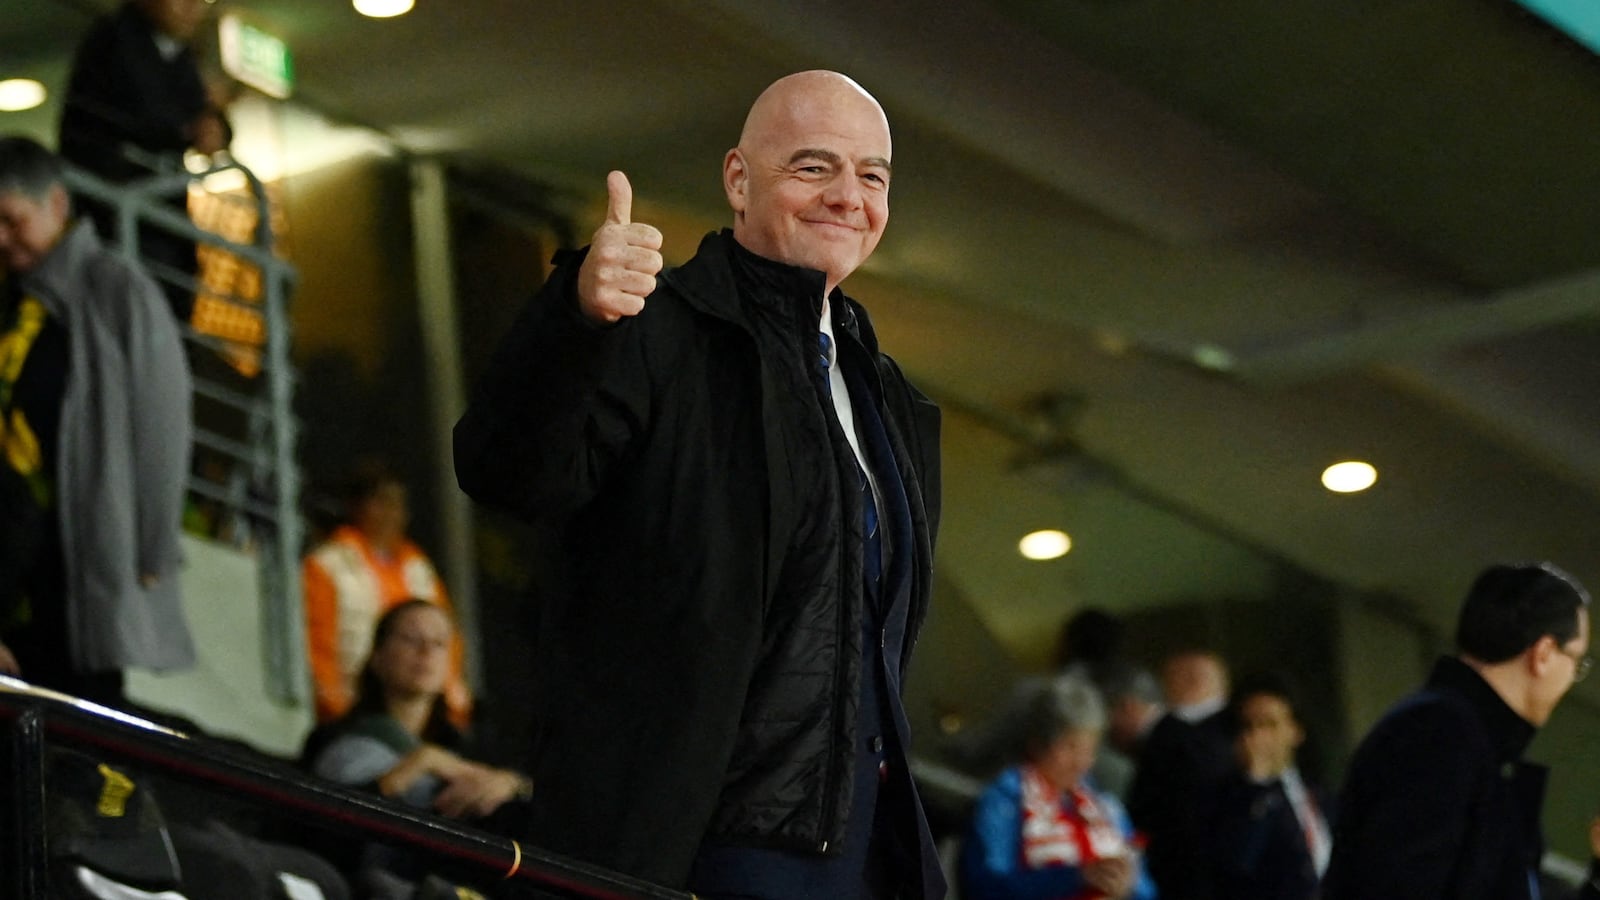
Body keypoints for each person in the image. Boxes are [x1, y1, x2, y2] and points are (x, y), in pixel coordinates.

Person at [453, 70, 944, 897]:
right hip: (693, 849)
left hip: (859, 855)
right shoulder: (656, 333)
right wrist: (574, 317)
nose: (847, 198)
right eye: (813, 167)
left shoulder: (890, 397)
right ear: (737, 180)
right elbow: (507, 473)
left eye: (872, 176)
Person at [0, 135, 194, 708]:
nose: (2, 241)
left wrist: (154, 544)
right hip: (15, 558)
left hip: (78, 551)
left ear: (57, 205)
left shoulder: (116, 288)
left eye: (12, 221)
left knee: (82, 719)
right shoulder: (10, 300)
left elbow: (162, 423)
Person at [1321, 561, 1592, 900]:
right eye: (1577, 662)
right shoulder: (1439, 736)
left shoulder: (1465, 740)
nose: (1572, 678)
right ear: (1544, 654)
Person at [57, 0, 231, 322]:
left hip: (157, 221)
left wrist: (214, 124)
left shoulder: (178, 56)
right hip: (114, 217)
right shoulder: (113, 39)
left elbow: (202, 116)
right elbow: (137, 114)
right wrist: (188, 128)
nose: (193, 8)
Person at [306, 600, 529, 824]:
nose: (427, 652)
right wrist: (415, 766)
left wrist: (510, 784)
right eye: (410, 639)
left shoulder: (463, 745)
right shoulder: (330, 739)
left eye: (439, 643)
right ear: (377, 657)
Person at [303, 461, 472, 728]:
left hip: (422, 721)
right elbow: (317, 647)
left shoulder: (420, 570)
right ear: (355, 507)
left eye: (398, 504)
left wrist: (452, 710)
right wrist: (339, 715)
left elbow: (448, 645)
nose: (391, 513)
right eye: (381, 502)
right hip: (353, 718)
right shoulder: (327, 564)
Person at [959, 676, 1156, 900]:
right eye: (1070, 747)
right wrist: (1074, 878)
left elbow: (1145, 889)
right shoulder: (1005, 801)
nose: (1081, 762)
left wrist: (1126, 888)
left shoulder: (1106, 807)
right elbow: (986, 887)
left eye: (1089, 750)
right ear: (1037, 743)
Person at [1208, 671, 1331, 900]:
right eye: (1248, 726)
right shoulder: (1228, 797)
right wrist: (1257, 783)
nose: (1257, 736)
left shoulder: (1316, 791)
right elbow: (1236, 866)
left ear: (1295, 731)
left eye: (1269, 724)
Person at [1126, 648, 1233, 900]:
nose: (1191, 681)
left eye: (1199, 675)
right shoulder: (1162, 735)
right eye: (1182, 676)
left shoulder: (1240, 726)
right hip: (1178, 866)